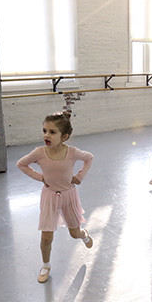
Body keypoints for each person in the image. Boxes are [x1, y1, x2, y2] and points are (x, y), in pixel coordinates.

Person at [17, 111, 94, 283]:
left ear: (64, 136)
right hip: (49, 196)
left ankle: (84, 234)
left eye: (52, 132)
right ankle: (45, 265)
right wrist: (40, 177)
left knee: (74, 233)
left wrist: (79, 176)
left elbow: (89, 158)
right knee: (46, 236)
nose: (46, 135)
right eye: (44, 130)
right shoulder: (39, 152)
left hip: (69, 196)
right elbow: (21, 164)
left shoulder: (72, 152)